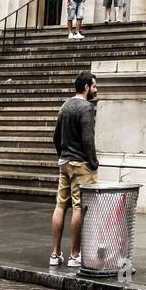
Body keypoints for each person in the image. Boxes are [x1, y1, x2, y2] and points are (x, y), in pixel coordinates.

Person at [50, 71, 99, 268]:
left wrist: (62, 154)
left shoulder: (65, 106)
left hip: (65, 162)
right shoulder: (86, 108)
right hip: (80, 164)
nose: (96, 90)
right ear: (86, 87)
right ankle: (74, 255)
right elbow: (88, 140)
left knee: (61, 205)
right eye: (94, 86)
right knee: (79, 207)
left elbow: (55, 137)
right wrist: (93, 162)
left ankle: (55, 254)